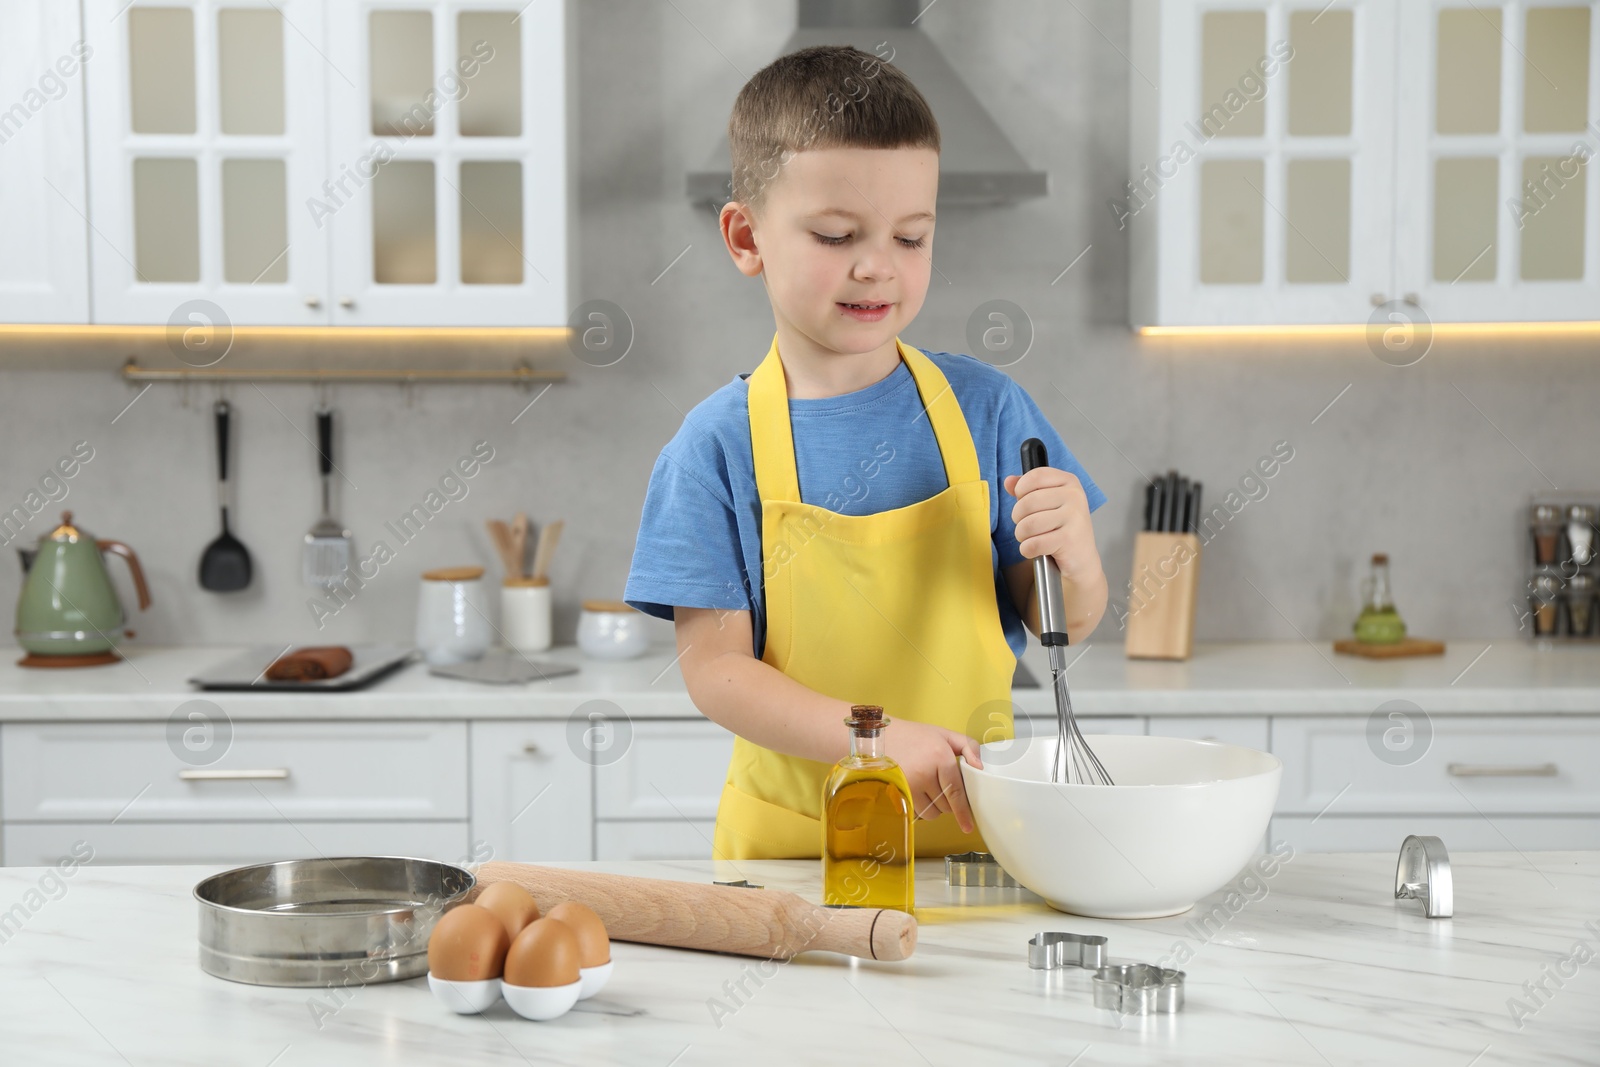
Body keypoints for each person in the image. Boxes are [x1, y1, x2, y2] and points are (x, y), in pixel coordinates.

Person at [624, 44, 1107, 861]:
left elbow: (1059, 616)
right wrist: (872, 740)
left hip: (973, 848)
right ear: (747, 238)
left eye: (912, 238)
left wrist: (1079, 557)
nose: (878, 264)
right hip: (795, 863)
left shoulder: (987, 410)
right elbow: (716, 671)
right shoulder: (716, 447)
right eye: (837, 233)